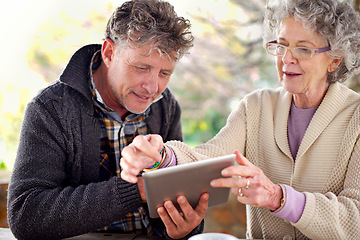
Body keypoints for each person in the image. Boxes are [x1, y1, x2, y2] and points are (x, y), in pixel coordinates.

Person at [120, 0, 360, 239]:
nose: (287, 59)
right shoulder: (256, 106)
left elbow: (355, 219)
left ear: (335, 58)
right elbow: (210, 156)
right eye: (282, 45)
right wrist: (161, 155)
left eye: (303, 49)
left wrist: (277, 197)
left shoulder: (356, 116)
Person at [7, 0, 209, 239]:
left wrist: (186, 227)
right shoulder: (51, 109)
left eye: (165, 73)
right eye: (142, 68)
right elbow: (25, 216)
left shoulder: (165, 106)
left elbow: (177, 195)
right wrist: (136, 190)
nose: (153, 88)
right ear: (109, 53)